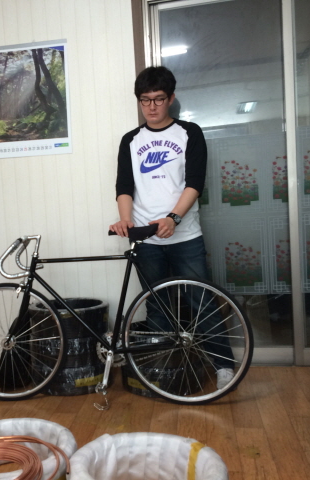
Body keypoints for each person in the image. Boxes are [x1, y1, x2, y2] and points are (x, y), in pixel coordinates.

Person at [109, 66, 235, 389]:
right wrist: (125, 218)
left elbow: (194, 184)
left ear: (171, 98)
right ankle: (163, 369)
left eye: (158, 99)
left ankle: (224, 365)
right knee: (157, 305)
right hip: (146, 240)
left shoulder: (189, 133)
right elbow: (124, 186)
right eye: (145, 100)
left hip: (185, 236)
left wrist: (173, 219)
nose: (151, 107)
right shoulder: (130, 141)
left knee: (201, 300)